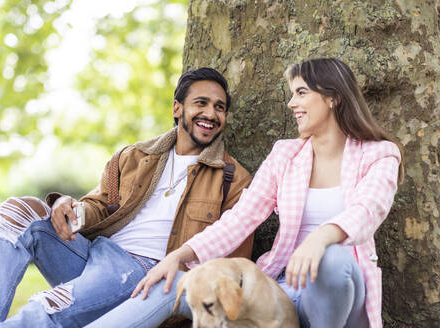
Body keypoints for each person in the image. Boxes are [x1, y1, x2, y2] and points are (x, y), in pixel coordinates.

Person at [86, 57, 404, 328]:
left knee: (332, 259)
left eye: (301, 93)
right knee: (175, 279)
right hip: (285, 291)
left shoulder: (379, 154)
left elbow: (367, 210)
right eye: (292, 94)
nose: (292, 103)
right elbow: (240, 219)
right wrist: (178, 257)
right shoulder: (286, 155)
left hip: (339, 293)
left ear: (333, 97)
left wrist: (320, 239)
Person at [0, 67, 253, 328]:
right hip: (98, 254)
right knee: (16, 212)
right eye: (201, 103)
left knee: (53, 305)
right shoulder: (134, 156)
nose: (211, 114)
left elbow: (235, 260)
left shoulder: (233, 179)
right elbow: (100, 205)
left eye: (220, 107)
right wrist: (70, 207)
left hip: (147, 272)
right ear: (177, 108)